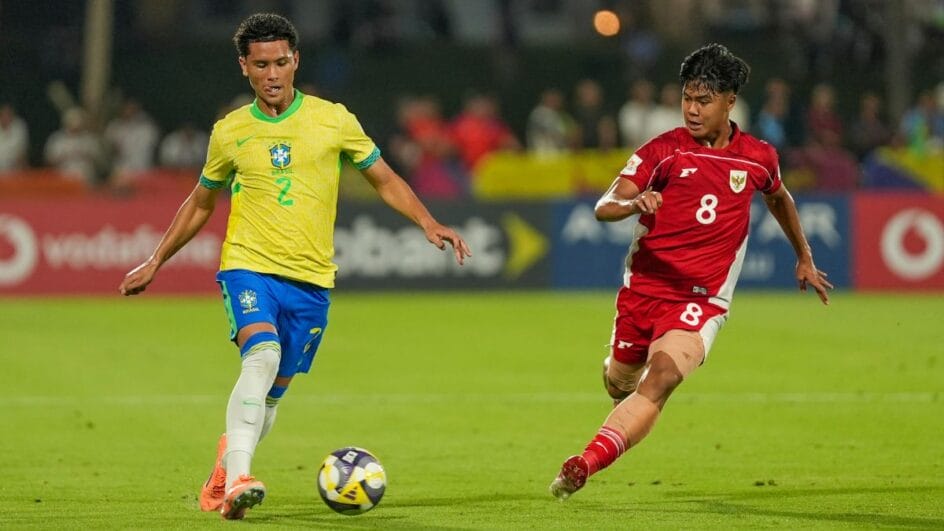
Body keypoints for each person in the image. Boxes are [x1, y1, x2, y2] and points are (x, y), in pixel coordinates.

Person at [118, 13, 471, 520]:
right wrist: (156, 260)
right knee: (259, 358)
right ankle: (240, 477)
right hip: (249, 267)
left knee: (271, 399)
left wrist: (427, 221)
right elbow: (200, 203)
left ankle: (227, 463)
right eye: (261, 64)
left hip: (311, 281)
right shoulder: (230, 132)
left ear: (296, 60)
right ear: (244, 67)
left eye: (281, 62)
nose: (273, 73)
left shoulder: (334, 120)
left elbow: (385, 178)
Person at [548, 43, 832, 500]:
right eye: (687, 99)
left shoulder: (757, 157)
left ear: (729, 102)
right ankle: (620, 385)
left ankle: (584, 464)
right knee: (620, 381)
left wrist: (804, 256)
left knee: (661, 378)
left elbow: (779, 198)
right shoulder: (663, 151)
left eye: (703, 101)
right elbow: (604, 206)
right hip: (643, 291)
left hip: (702, 299)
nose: (692, 110)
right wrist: (633, 203)